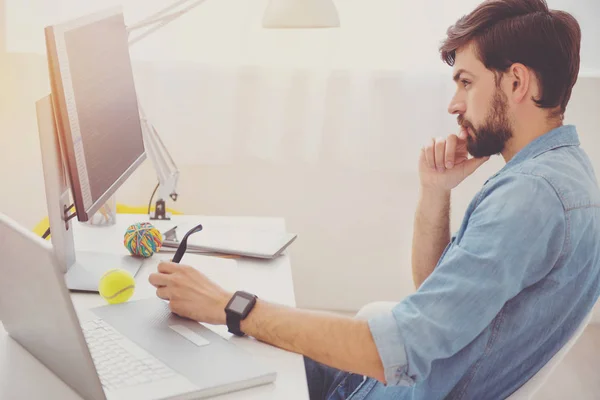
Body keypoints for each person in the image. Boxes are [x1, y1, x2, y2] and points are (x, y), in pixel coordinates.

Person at [148, 0, 600, 398]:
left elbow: (399, 350)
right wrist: (435, 191)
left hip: (377, 386)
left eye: (465, 82)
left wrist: (232, 306)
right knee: (191, 356)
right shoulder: (558, 173)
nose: (454, 104)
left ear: (516, 82)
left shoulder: (530, 199)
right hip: (370, 380)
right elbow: (437, 297)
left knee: (182, 367)